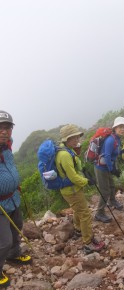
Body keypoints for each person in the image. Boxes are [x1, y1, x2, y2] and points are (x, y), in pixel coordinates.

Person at [55, 124, 105, 254]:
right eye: (75, 137)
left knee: (78, 210)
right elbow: (72, 177)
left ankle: (78, 230)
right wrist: (87, 181)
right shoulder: (65, 155)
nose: (78, 139)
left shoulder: (65, 150)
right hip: (72, 190)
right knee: (85, 214)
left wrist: (82, 172)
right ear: (68, 138)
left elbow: (73, 171)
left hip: (71, 189)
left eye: (78, 136)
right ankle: (88, 243)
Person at [0, 110, 32, 289]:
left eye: (7, 128)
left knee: (17, 226)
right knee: (3, 242)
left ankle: (14, 254)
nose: (4, 131)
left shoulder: (7, 146)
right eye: (0, 128)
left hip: (13, 198)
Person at [94, 117, 124, 223]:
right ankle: (99, 213)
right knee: (105, 191)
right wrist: (112, 169)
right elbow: (107, 156)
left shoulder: (117, 138)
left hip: (107, 166)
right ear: (115, 128)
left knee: (112, 186)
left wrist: (123, 151)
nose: (122, 129)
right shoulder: (110, 139)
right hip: (101, 168)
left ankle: (112, 201)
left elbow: (114, 152)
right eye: (120, 127)